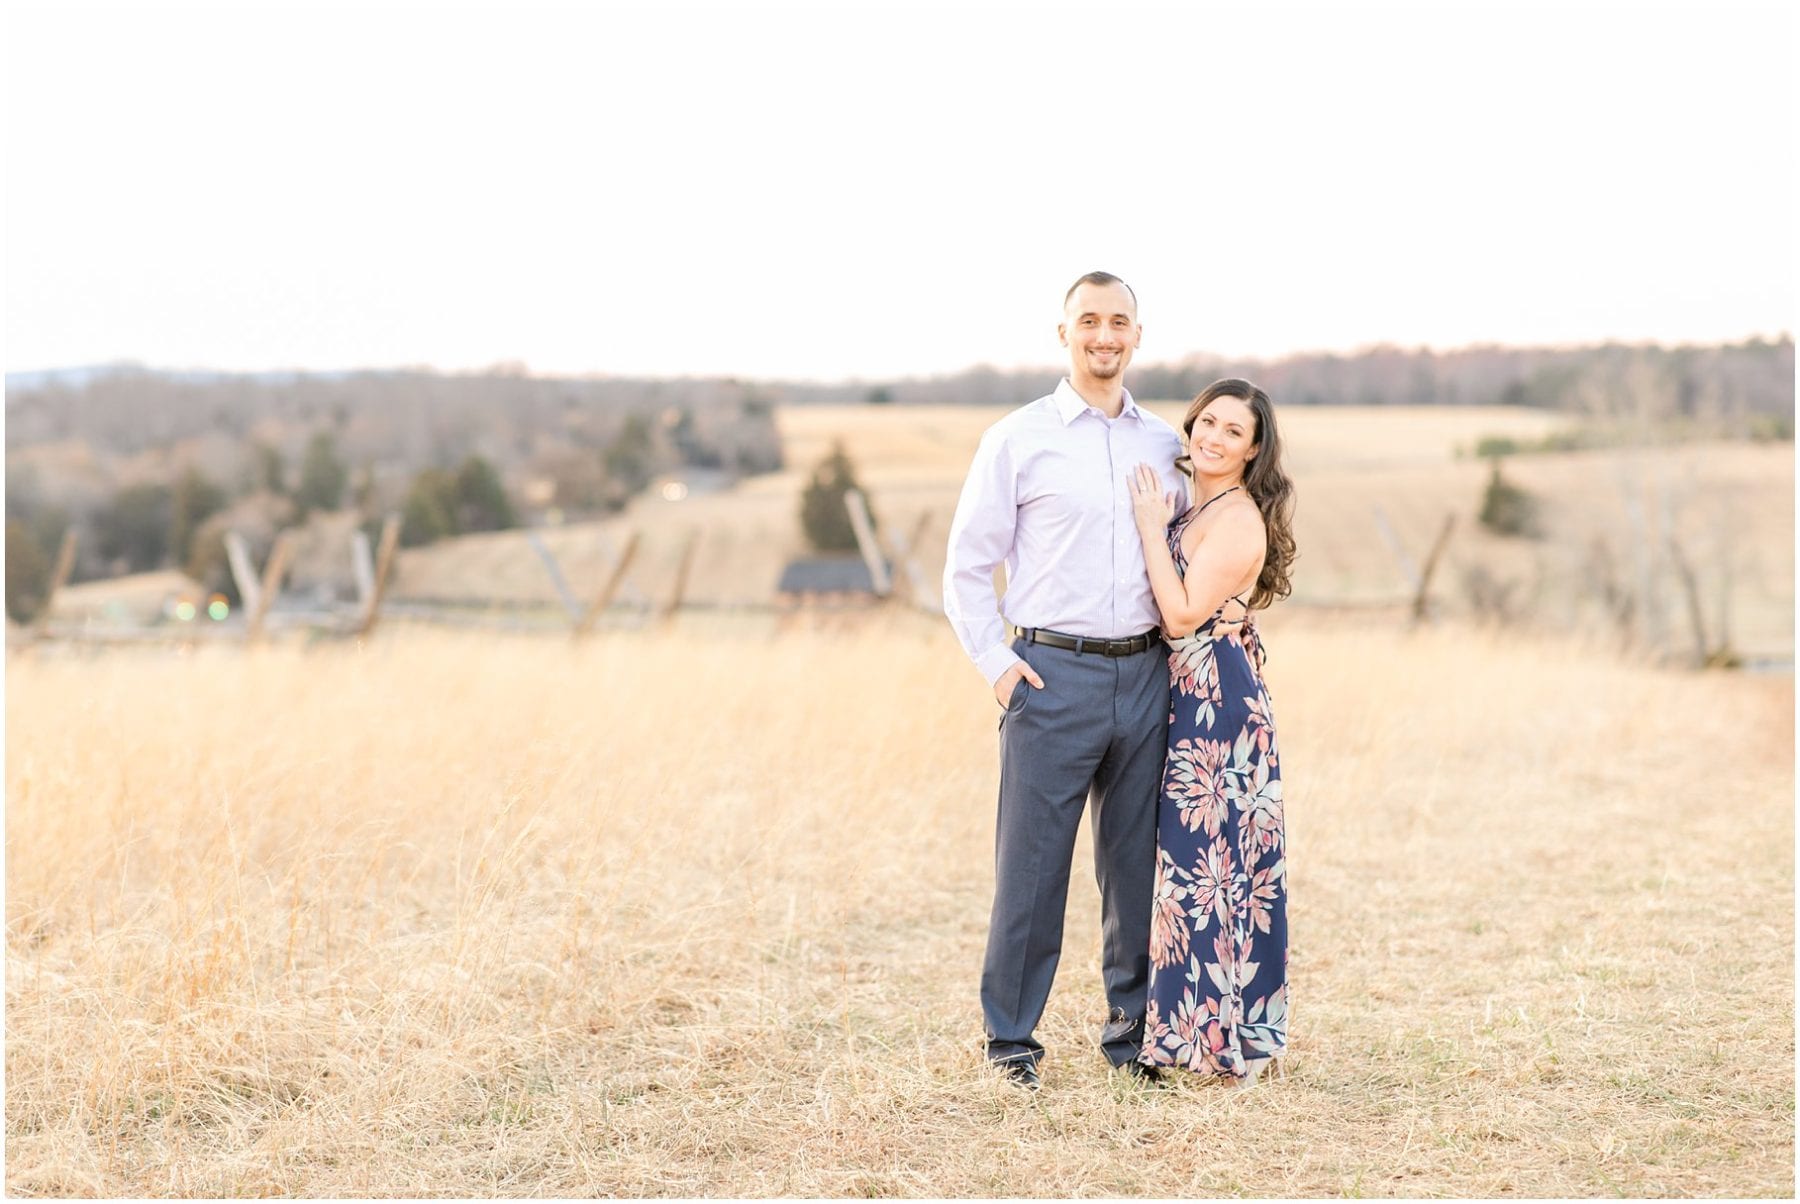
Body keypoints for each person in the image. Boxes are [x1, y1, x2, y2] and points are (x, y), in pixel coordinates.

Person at [943, 271, 1183, 1091]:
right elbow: (967, 568)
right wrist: (1000, 669)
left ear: (1138, 335)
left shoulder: (1164, 443)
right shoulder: (1018, 438)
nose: (1104, 336)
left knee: (1137, 869)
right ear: (1064, 333)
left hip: (1146, 677)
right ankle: (1011, 1044)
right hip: (1050, 678)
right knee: (1032, 870)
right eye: (1090, 321)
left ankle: (1134, 1040)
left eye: (1119, 322)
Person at [1125, 377, 1297, 1087]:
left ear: (1254, 449)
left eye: (1234, 431)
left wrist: (1145, 525)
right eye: (1208, 422)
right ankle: (1193, 1035)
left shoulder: (1237, 520)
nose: (1215, 437)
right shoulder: (1202, 503)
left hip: (1218, 700)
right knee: (1199, 871)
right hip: (1187, 692)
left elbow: (1180, 616)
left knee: (1217, 870)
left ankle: (1232, 1045)